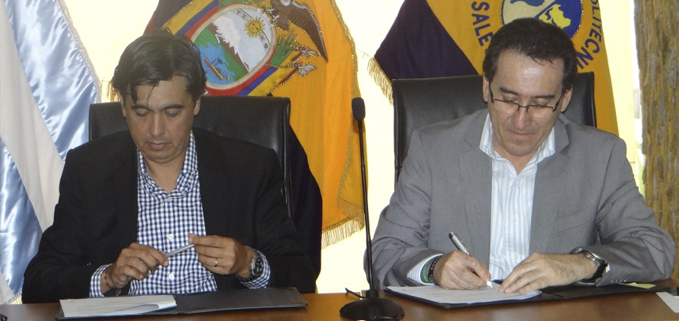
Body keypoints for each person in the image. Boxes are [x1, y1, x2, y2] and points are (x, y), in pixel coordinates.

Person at [370, 18, 675, 294]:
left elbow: (655, 250)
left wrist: (579, 264)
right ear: (487, 86)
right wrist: (433, 268)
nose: (520, 120)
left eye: (541, 104)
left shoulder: (600, 157)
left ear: (565, 97)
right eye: (509, 99)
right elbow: (383, 253)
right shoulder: (433, 149)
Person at [22, 30, 316, 303]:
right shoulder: (89, 171)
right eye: (141, 112)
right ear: (122, 104)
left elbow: (302, 276)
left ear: (197, 103)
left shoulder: (250, 169)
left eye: (172, 113)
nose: (156, 131)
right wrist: (107, 277)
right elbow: (38, 284)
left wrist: (247, 263)